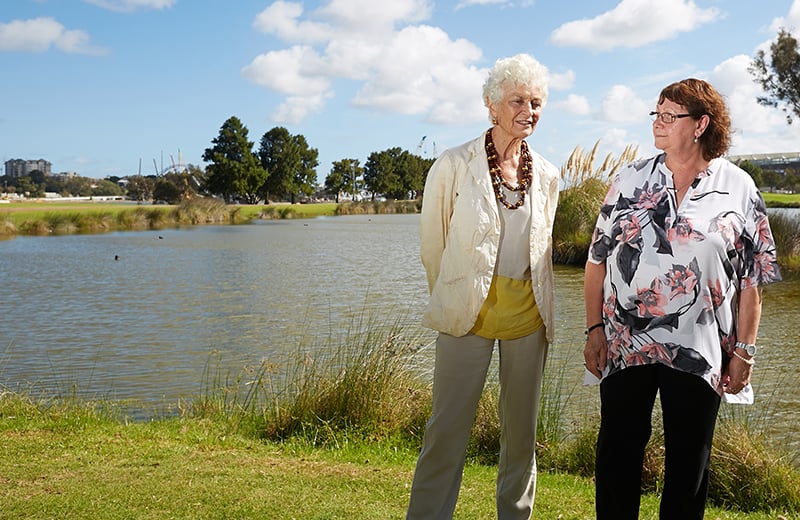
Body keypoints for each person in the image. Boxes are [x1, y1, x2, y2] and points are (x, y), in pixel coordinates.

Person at [583, 78, 782, 519]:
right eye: (656, 113)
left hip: (701, 347)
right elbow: (596, 260)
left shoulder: (740, 188)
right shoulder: (630, 179)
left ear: (700, 124)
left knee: (689, 464)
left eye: (670, 116)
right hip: (625, 342)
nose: (658, 123)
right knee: (617, 453)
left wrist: (744, 352)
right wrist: (595, 330)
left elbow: (753, 281)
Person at [406, 54, 559, 520]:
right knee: (446, 431)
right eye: (517, 100)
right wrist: (454, 294)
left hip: (528, 319)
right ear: (491, 105)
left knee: (521, 437)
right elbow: (434, 246)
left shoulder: (549, 175)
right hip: (465, 314)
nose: (528, 111)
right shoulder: (453, 165)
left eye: (536, 103)